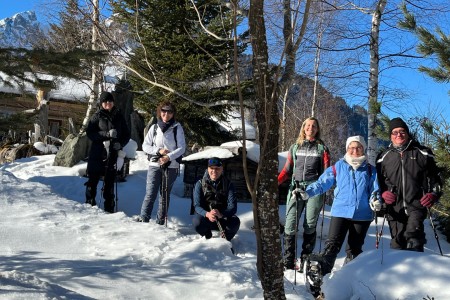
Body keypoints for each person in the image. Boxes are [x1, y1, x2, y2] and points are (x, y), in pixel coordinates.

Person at [300, 135, 380, 277]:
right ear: (347, 149)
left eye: (358, 147)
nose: (354, 150)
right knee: (332, 246)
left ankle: (347, 279)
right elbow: (322, 183)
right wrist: (307, 192)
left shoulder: (370, 170)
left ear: (363, 149)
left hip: (362, 215)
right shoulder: (338, 167)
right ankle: (322, 278)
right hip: (340, 212)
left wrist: (375, 200)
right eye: (351, 147)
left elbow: (375, 190)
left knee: (354, 250)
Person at [376, 117, 442, 252]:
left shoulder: (423, 153)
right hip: (394, 208)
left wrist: (433, 194)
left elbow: (437, 179)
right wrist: (383, 193)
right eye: (395, 132)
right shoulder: (383, 157)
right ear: (390, 136)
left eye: (402, 131)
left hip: (417, 205)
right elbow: (377, 182)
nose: (398, 135)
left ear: (407, 133)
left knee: (414, 241)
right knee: (397, 246)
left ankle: (417, 272)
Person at [278, 117, 330, 270]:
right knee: (290, 224)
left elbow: (326, 173)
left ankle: (305, 258)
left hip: (314, 190)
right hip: (296, 188)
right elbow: (287, 170)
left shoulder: (322, 148)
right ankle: (288, 260)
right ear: (303, 128)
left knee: (310, 224)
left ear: (317, 129)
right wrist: (275, 183)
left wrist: (323, 189)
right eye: (308, 125)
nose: (310, 128)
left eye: (314, 125)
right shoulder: (294, 147)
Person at [138, 101, 186, 225]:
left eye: (169, 111)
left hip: (171, 166)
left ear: (173, 113)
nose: (166, 114)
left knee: (164, 195)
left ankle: (160, 222)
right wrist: (158, 151)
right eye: (164, 111)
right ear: (160, 112)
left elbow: (182, 148)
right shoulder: (154, 127)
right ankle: (144, 219)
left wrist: (168, 157)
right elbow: (145, 146)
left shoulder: (177, 127)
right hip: (155, 165)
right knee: (150, 193)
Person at [85, 91, 130, 213]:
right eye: (105, 101)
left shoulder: (119, 116)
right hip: (97, 153)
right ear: (101, 103)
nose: (107, 103)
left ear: (113, 102)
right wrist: (106, 134)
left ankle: (109, 208)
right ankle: (89, 205)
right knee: (92, 180)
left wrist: (120, 144)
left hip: (112, 154)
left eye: (110, 101)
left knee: (109, 183)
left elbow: (126, 134)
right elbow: (90, 133)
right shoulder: (97, 116)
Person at [192, 157, 240, 241]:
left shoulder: (228, 184)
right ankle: (208, 236)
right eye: (211, 168)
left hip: (223, 217)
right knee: (197, 221)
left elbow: (233, 207)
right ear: (208, 168)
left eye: (217, 168)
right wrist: (207, 214)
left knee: (235, 222)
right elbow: (196, 206)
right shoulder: (200, 183)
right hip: (207, 217)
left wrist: (221, 214)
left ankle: (225, 240)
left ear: (222, 169)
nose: (214, 171)